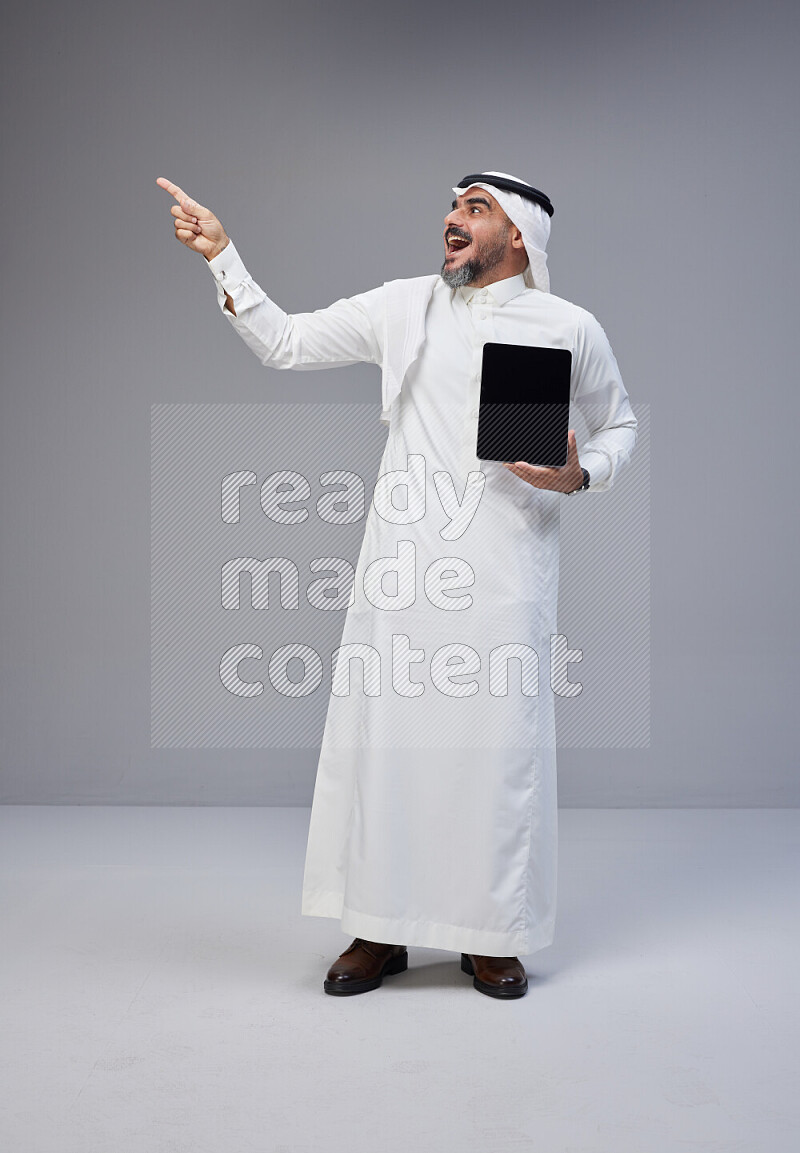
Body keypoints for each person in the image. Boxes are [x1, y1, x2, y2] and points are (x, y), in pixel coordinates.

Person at [157, 170, 637, 1000]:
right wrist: (223, 256)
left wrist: (578, 473)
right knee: (388, 748)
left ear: (519, 237)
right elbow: (288, 342)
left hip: (507, 570)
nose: (452, 220)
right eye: (453, 206)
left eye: (475, 210)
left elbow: (621, 423)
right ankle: (378, 928)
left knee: (494, 754)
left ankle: (492, 936)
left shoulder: (567, 326)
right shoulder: (403, 305)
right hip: (402, 569)